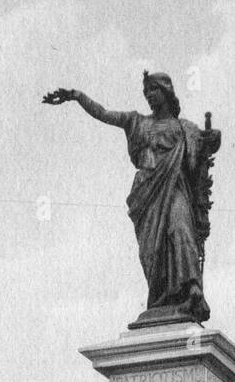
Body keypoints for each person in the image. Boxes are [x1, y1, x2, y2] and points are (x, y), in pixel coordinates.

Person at [44, 73, 219, 321]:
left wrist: (214, 138)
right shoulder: (137, 121)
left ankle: (192, 289)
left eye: (153, 90)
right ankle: (164, 298)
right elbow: (104, 114)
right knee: (151, 251)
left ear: (166, 92)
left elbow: (205, 146)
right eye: (146, 91)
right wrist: (77, 96)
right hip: (147, 193)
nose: (149, 95)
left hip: (175, 187)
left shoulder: (185, 127)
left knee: (180, 228)